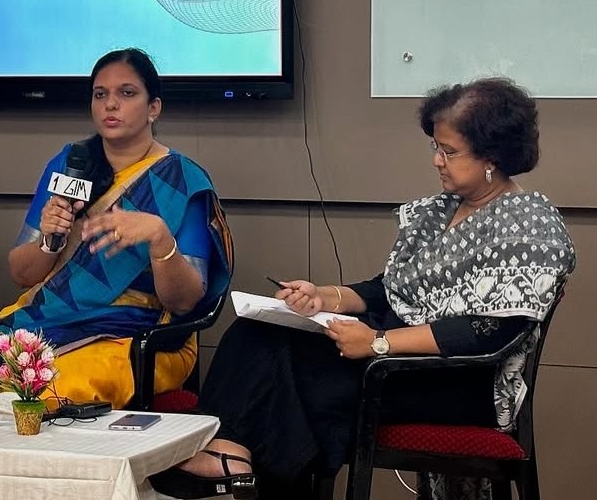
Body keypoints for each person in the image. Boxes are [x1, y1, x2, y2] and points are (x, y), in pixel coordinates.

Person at [153, 78, 575, 500]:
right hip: (393, 353)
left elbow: (489, 331)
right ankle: (232, 455)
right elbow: (389, 289)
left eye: (449, 151)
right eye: (435, 147)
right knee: (257, 331)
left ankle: (232, 461)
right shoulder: (439, 212)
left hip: (457, 377)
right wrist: (324, 296)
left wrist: (378, 343)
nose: (437, 161)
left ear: (492, 157)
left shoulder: (530, 226)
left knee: (294, 383)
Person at [0, 48, 233, 408]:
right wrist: (49, 240)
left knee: (52, 389)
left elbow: (184, 302)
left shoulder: (182, 180)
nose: (110, 104)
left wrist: (159, 238)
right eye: (100, 94)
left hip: (138, 336)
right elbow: (22, 274)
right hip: (51, 320)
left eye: (127, 93)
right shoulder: (70, 164)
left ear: (154, 108)